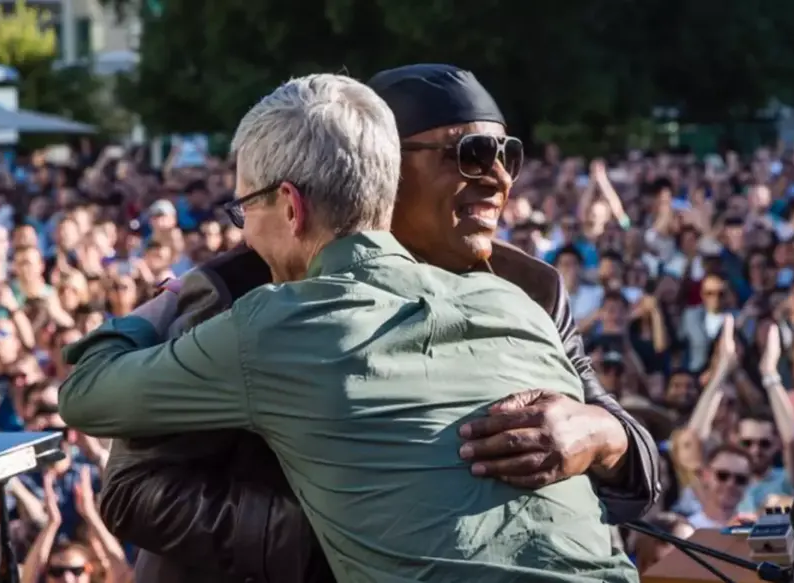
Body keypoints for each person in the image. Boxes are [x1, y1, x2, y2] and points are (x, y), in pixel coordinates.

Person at [59, 73, 638, 582]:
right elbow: (135, 490)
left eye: (505, 155)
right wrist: (336, 536)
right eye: (467, 154)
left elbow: (638, 468)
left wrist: (601, 433)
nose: (497, 177)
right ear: (392, 170)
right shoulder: (245, 291)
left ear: (288, 203)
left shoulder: (522, 292)